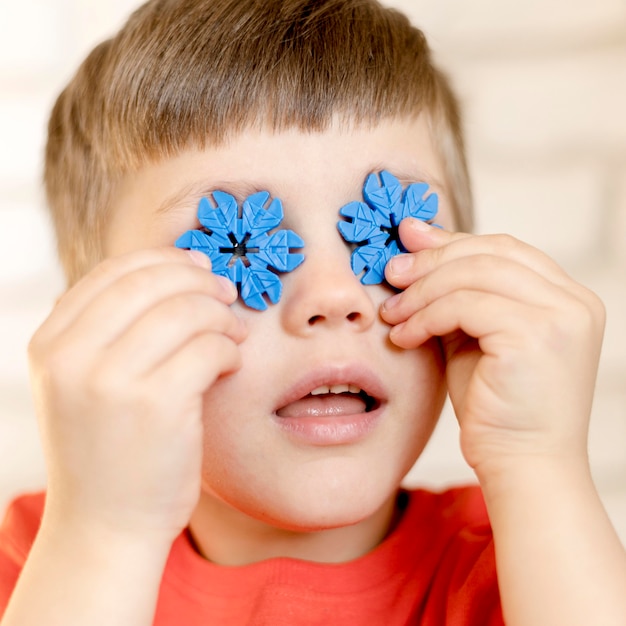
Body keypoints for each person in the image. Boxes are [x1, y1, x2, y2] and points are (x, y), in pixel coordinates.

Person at [1, 0, 625, 624]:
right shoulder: (47, 563)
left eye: (387, 233)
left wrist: (541, 460)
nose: (334, 299)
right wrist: (103, 531)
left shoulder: (536, 558)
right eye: (233, 244)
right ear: (89, 331)